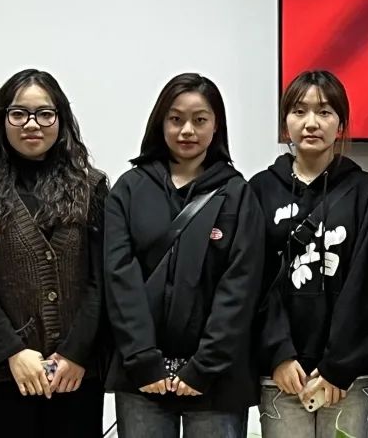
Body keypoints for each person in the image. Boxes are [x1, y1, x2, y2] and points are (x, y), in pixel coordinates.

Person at [103, 73, 264, 438]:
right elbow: (119, 278)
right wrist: (143, 360)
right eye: (176, 119)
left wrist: (205, 366)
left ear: (216, 125)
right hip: (143, 377)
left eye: (199, 120)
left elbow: (241, 285)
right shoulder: (129, 189)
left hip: (216, 380)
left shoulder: (237, 193)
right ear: (160, 122)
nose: (187, 130)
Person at [0, 69, 108, 438]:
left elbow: (101, 279)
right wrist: (13, 352)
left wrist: (75, 353)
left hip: (76, 372)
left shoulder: (92, 188)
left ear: (61, 120)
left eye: (45, 113)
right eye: (19, 113)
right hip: (3, 371)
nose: (32, 124)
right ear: (2, 119)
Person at [251, 70, 368, 438]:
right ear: (285, 123)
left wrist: (340, 364)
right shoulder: (259, 190)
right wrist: (278, 354)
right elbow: (252, 280)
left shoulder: (365, 190)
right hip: (282, 374)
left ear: (341, 123)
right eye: (299, 111)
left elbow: (367, 282)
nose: (311, 123)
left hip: (348, 377)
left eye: (324, 112)